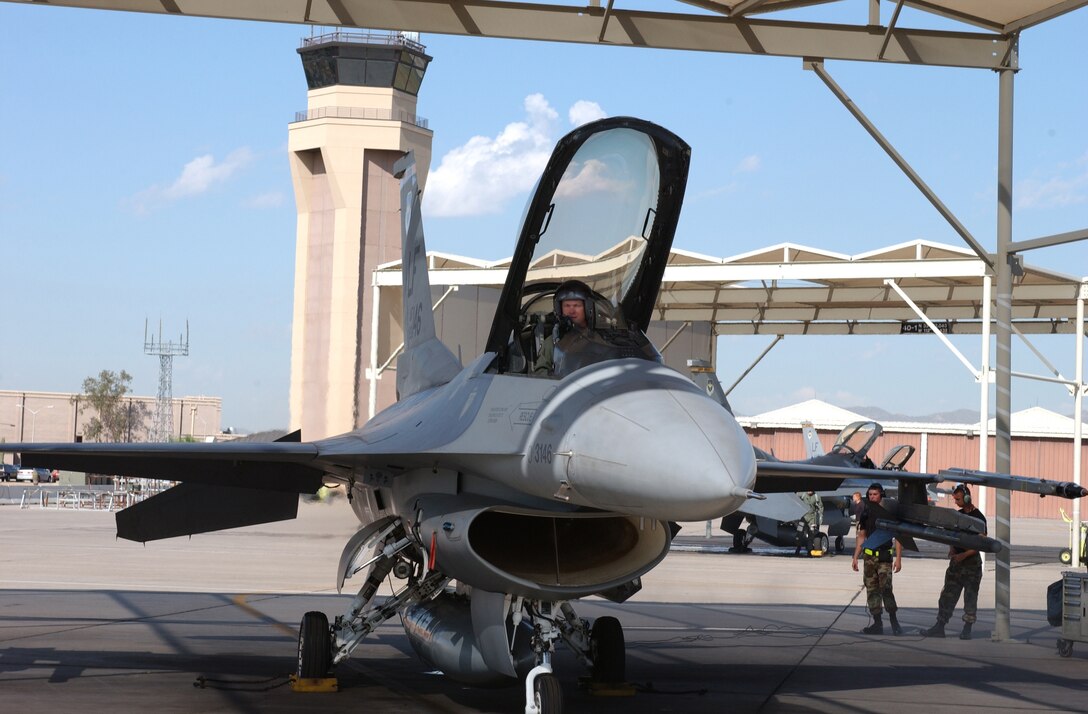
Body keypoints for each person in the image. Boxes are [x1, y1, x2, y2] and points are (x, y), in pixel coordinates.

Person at [923, 483, 987, 639]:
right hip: (956, 563)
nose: (956, 501)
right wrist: (952, 548)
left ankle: (967, 628)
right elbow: (952, 534)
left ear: (966, 497)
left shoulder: (979, 519)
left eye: (958, 499)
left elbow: (981, 544)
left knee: (970, 597)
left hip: (971, 564)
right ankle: (940, 626)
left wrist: (963, 555)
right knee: (947, 595)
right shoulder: (958, 516)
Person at [852, 482, 903, 635]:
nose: (872, 497)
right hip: (869, 557)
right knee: (872, 590)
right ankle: (877, 624)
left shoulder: (888, 513)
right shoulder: (866, 513)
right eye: (870, 494)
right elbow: (862, 536)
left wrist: (898, 558)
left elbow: (899, 537)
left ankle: (895, 623)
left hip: (884, 557)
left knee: (886, 589)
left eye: (875, 494)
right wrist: (855, 557)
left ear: (881, 495)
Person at [533, 280, 594, 375]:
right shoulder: (552, 342)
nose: (571, 311)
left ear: (587, 308)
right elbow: (540, 374)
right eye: (567, 306)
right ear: (559, 309)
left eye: (576, 305)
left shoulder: (599, 338)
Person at [796, 490, 824, 555]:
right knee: (799, 533)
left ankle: (809, 550)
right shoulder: (802, 495)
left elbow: (821, 507)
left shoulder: (816, 497)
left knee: (811, 534)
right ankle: (798, 547)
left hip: (812, 518)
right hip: (803, 517)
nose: (809, 491)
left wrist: (820, 518)